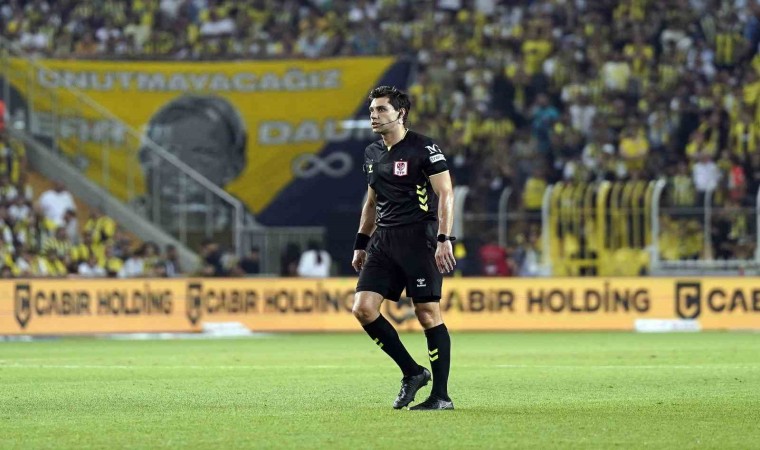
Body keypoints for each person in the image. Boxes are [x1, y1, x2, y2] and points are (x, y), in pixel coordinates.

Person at [351, 86, 456, 411]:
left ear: (401, 113)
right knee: (363, 309)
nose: (374, 115)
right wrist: (361, 243)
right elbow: (372, 202)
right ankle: (412, 372)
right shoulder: (372, 153)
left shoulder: (424, 148)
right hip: (383, 241)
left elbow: (446, 193)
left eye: (382, 109)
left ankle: (441, 396)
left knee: (427, 313)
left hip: (418, 238)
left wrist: (443, 238)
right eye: (372, 110)